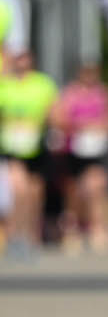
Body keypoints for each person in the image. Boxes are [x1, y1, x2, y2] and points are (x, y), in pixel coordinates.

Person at [51, 68, 108, 251]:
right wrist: (80, 125)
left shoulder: (102, 93)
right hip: (74, 150)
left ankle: (97, 228)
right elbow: (58, 119)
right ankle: (71, 228)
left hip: (96, 150)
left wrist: (103, 127)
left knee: (97, 186)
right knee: (73, 190)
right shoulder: (70, 94)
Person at [0, 49, 56, 257]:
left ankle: (31, 234)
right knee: (19, 190)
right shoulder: (5, 85)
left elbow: (55, 112)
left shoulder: (43, 84)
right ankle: (14, 235)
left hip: (36, 146)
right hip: (12, 147)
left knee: (33, 195)